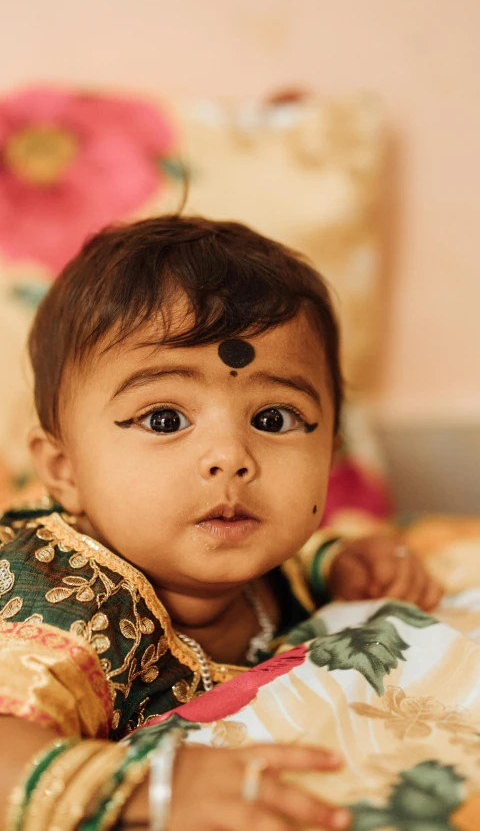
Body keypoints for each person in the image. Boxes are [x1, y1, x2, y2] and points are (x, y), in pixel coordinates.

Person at [0, 215, 442, 831]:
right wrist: (152, 791)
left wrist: (339, 563)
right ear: (65, 470)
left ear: (332, 449)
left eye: (273, 419)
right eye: (163, 419)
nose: (230, 457)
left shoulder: (244, 556)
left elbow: (286, 565)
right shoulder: (67, 604)